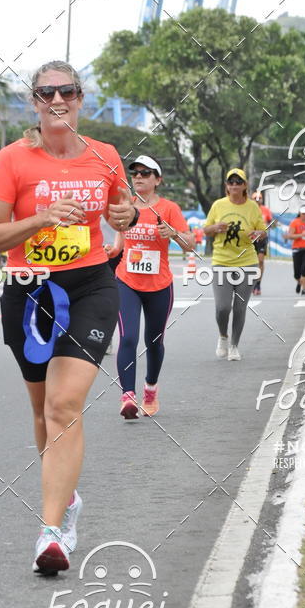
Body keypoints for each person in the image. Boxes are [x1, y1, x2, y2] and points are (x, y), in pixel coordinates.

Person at [0, 61, 137, 576]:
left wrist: (125, 217)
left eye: (66, 91)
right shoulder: (13, 160)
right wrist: (44, 217)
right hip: (29, 290)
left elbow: (126, 209)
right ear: (34, 101)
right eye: (46, 93)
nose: (57, 100)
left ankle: (52, 534)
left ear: (80, 97)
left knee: (65, 404)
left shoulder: (105, 156)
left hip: (90, 285)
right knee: (42, 411)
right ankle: (67, 500)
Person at [108, 155, 194, 419]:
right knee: (129, 337)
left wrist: (174, 234)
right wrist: (109, 251)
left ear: (158, 180)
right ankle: (128, 397)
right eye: (135, 173)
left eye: (146, 173)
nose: (139, 178)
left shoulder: (169, 208)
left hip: (159, 285)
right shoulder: (126, 206)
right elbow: (119, 243)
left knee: (154, 342)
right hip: (127, 281)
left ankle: (151, 390)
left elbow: (189, 244)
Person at [203, 168, 266, 361]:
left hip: (247, 263)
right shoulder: (218, 205)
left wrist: (256, 234)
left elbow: (262, 231)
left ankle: (234, 346)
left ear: (245, 185)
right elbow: (206, 230)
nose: (235, 185)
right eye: (231, 182)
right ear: (226, 186)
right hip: (222, 262)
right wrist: (215, 227)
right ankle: (223, 336)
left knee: (240, 307)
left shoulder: (253, 207)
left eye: (239, 182)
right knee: (223, 307)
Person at [287, 206, 305, 295]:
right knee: (297, 273)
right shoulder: (294, 222)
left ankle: (304, 290)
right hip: (297, 249)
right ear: (300, 213)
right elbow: (290, 236)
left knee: (304, 270)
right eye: (303, 214)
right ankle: (299, 282)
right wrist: (301, 235)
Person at [251, 191, 273, 295]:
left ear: (262, 199)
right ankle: (251, 282)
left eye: (259, 198)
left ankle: (258, 284)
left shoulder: (266, 210)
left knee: (260, 261)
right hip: (250, 239)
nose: (257, 200)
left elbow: (270, 223)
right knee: (250, 263)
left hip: (262, 239)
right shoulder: (248, 210)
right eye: (255, 199)